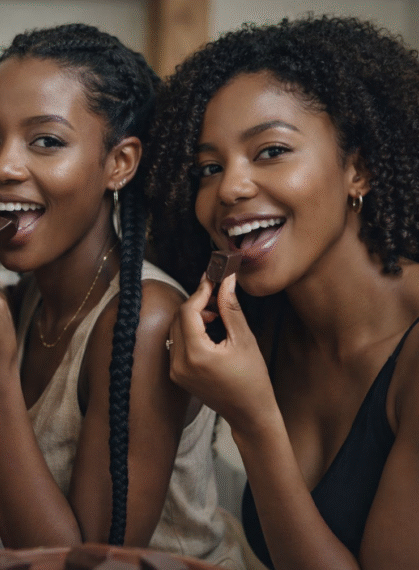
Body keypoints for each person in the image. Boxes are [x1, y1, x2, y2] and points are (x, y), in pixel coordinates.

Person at [0, 23, 245, 567]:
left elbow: (82, 562)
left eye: (46, 141)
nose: (2, 166)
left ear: (118, 164)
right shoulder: (25, 298)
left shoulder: (144, 321)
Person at [146, 15, 419, 570]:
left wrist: (252, 420)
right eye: (208, 168)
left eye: (270, 151)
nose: (230, 187)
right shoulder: (253, 324)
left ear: (358, 169)